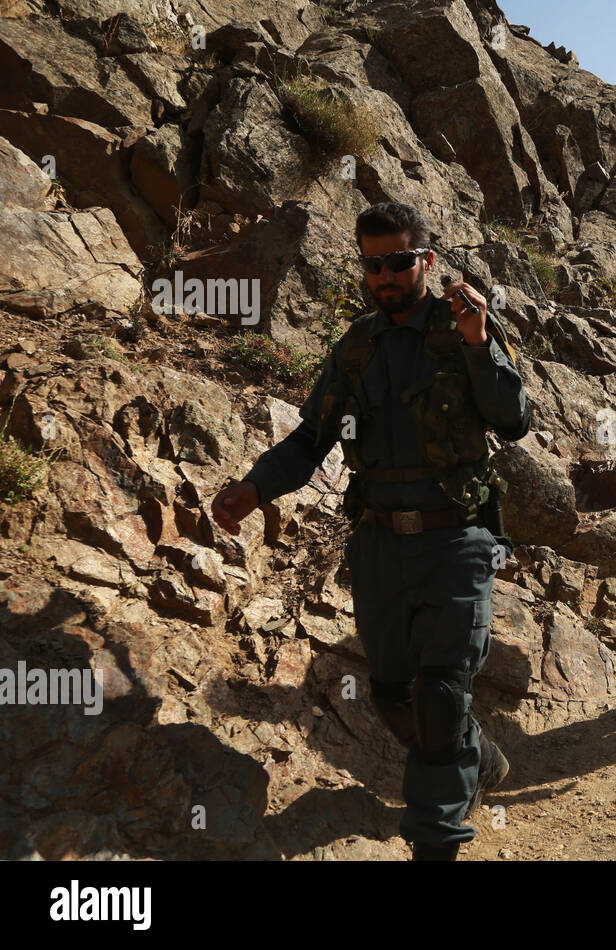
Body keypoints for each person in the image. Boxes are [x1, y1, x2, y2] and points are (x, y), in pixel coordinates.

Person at [210, 202, 530, 861]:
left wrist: (478, 343)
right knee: (391, 695)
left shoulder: (463, 328)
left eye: (399, 262)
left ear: (427, 261)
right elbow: (308, 441)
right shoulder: (357, 348)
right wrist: (254, 487)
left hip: (457, 538)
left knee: (441, 689)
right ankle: (479, 756)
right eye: (373, 265)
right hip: (379, 543)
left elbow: (514, 419)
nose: (385, 277)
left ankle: (435, 842)